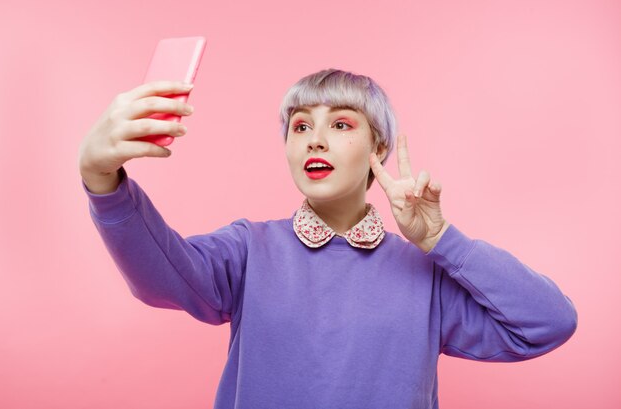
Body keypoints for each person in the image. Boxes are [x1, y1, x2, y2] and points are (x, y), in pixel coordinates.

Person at [78, 68, 577, 409]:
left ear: (378, 146)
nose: (315, 138)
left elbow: (548, 323)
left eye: (340, 123)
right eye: (300, 127)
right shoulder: (249, 250)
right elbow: (159, 277)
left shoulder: (426, 275)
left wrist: (443, 240)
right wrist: (102, 179)